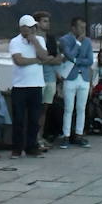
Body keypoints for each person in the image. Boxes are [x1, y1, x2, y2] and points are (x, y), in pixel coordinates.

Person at [8, 15, 49, 159]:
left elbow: (44, 57)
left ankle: (32, 147)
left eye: (34, 27)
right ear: (22, 28)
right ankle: (17, 148)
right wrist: (35, 60)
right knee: (19, 119)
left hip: (36, 84)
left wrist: (35, 43)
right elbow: (19, 60)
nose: (32, 29)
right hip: (20, 86)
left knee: (34, 118)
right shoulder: (15, 42)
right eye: (29, 27)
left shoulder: (40, 40)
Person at [57, 17, 93, 148]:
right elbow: (69, 55)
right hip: (70, 77)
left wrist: (77, 60)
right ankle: (66, 136)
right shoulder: (64, 40)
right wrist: (77, 43)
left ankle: (79, 134)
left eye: (84, 27)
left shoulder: (88, 41)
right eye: (80, 27)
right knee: (68, 108)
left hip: (84, 78)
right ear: (73, 28)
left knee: (81, 108)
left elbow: (90, 60)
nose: (83, 30)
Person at [33, 11, 65, 150]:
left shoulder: (51, 39)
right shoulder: (33, 39)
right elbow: (38, 58)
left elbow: (58, 59)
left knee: (45, 108)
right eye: (44, 21)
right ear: (38, 23)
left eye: (48, 21)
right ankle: (34, 137)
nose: (48, 23)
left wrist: (48, 60)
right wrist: (49, 59)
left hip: (50, 76)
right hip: (37, 77)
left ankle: (40, 136)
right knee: (36, 109)